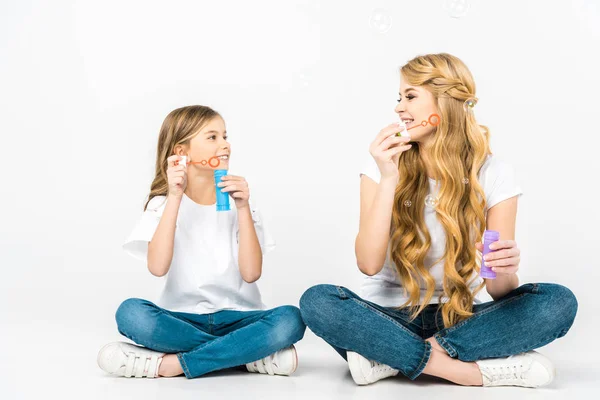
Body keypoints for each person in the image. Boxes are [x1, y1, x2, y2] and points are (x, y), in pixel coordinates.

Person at [299, 53, 577, 388]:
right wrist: (389, 178)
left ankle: (390, 358)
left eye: (411, 96)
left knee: (557, 303)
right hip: (389, 317)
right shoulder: (381, 166)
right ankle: (466, 371)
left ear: (445, 102)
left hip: (463, 318)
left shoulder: (494, 172)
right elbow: (368, 264)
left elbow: (499, 290)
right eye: (399, 97)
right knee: (318, 302)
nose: (399, 108)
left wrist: (504, 269)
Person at [97, 105, 305, 379]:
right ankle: (247, 356)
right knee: (131, 313)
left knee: (292, 319)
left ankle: (171, 365)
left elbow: (251, 273)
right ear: (182, 152)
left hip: (239, 318)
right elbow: (157, 267)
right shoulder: (162, 204)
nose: (225, 145)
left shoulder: (239, 203)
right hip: (182, 317)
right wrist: (174, 196)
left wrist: (243, 208)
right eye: (212, 137)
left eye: (225, 136)